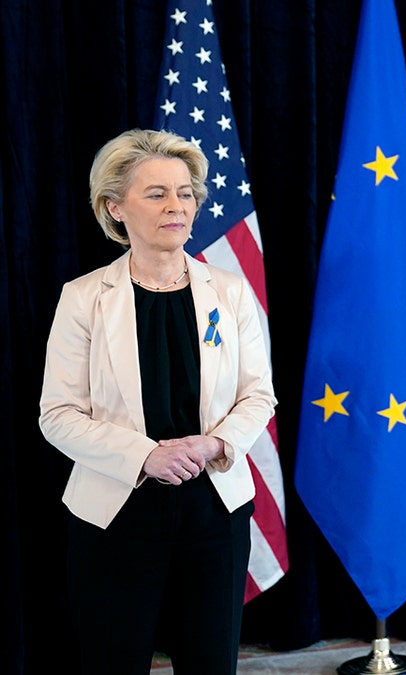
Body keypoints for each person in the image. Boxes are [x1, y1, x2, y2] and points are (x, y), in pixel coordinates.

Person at [38, 128, 277, 674]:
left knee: (211, 664)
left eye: (186, 192)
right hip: (115, 512)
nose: (178, 206)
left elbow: (258, 395)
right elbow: (57, 416)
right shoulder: (83, 298)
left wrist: (215, 442)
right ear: (115, 208)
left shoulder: (230, 292)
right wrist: (146, 456)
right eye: (157, 193)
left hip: (214, 507)